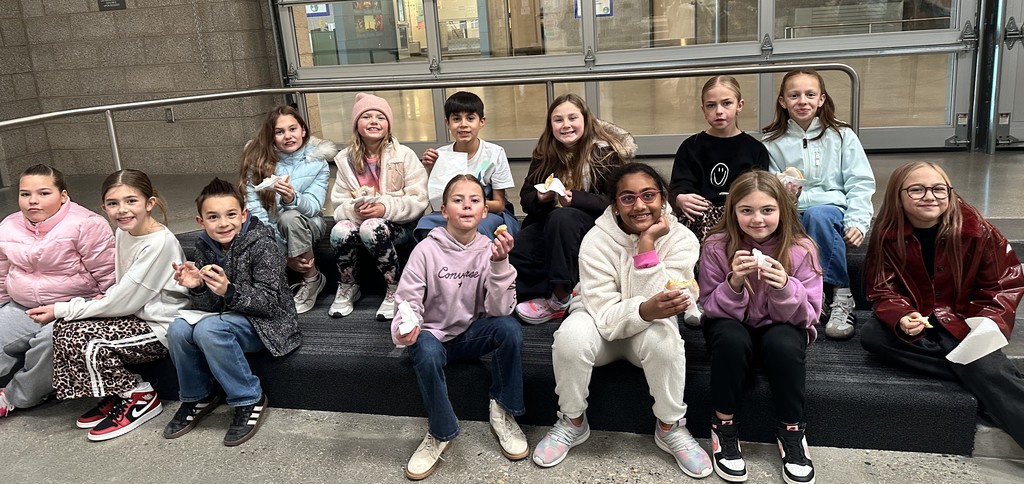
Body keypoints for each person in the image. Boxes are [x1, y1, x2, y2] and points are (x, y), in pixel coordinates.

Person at [532, 163, 713, 478]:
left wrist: (647, 246)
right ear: (615, 205)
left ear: (663, 198)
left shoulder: (682, 239)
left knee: (666, 340)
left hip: (646, 332)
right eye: (628, 198)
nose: (640, 205)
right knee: (570, 336)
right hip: (600, 324)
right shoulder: (596, 240)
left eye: (648, 195)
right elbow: (604, 314)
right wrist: (644, 309)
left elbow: (669, 298)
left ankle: (670, 426)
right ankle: (572, 421)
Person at [862, 161, 1024, 449]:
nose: (930, 196)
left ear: (950, 192)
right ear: (898, 195)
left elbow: (1004, 284)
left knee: (985, 367)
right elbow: (882, 288)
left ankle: (982, 377)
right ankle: (975, 375)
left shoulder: (978, 230)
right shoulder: (887, 234)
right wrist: (902, 315)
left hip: (964, 318)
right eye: (917, 190)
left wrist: (988, 322)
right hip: (921, 320)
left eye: (939, 189)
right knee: (873, 335)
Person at [27, 169, 189, 441]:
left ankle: (139, 396)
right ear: (104, 208)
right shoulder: (125, 232)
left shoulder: (159, 243)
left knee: (85, 338)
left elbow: (124, 302)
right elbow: (124, 286)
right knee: (64, 329)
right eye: (113, 203)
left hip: (160, 326)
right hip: (135, 315)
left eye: (131, 201)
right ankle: (116, 392)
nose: (122, 210)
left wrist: (62, 308)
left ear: (149, 203)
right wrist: (97, 301)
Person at [391, 174, 524, 480]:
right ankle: (441, 432)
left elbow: (499, 311)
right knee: (425, 347)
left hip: (469, 336)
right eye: (457, 200)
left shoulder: (490, 249)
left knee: (509, 328)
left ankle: (503, 411)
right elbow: (408, 300)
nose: (466, 205)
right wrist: (405, 327)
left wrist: (500, 265)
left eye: (475, 200)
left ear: (485, 212)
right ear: (443, 210)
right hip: (431, 337)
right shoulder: (426, 250)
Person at [699, 170, 822, 484]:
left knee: (783, 343)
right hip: (732, 327)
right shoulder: (716, 245)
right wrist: (734, 283)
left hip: (781, 327)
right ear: (733, 211)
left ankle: (792, 430)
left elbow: (810, 315)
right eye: (746, 210)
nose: (757, 219)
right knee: (730, 338)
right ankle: (724, 425)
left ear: (783, 210)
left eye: (767, 210)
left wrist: (784, 287)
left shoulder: (802, 248)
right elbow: (709, 306)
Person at [163, 178, 301, 446]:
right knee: (178, 329)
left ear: (243, 215)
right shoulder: (204, 245)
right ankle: (197, 396)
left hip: (270, 325)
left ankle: (249, 398)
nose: (223, 223)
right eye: (213, 217)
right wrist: (198, 287)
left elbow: (269, 304)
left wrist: (230, 291)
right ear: (200, 221)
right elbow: (210, 307)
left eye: (230, 215)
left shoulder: (263, 243)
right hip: (229, 318)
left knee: (209, 329)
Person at [761, 69, 874, 341]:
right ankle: (805, 294)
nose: (803, 101)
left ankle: (841, 292)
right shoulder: (771, 142)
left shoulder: (842, 135)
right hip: (790, 210)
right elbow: (768, 189)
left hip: (830, 210)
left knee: (818, 216)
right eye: (794, 95)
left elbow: (860, 182)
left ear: (821, 99)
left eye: (810, 94)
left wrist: (858, 221)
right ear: (782, 101)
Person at [0, 165, 116, 418]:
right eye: (25, 194)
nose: (32, 201)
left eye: (43, 193)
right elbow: (1, 273)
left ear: (63, 195)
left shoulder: (87, 224)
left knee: (50, 342)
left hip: (73, 308)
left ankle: (14, 397)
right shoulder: (8, 225)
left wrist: (102, 308)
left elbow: (109, 275)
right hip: (23, 307)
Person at [510, 93, 635, 324]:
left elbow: (615, 201)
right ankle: (550, 291)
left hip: (593, 223)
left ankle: (560, 297)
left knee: (563, 217)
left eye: (572, 118)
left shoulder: (605, 153)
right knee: (517, 249)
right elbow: (526, 199)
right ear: (551, 125)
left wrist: (576, 199)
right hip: (549, 222)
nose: (566, 125)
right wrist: (541, 197)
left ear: (585, 120)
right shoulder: (545, 153)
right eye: (558, 120)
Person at [329, 93, 428, 320]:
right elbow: (338, 204)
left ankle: (394, 286)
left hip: (399, 226)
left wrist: (385, 209)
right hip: (361, 223)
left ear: (388, 125)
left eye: (380, 117)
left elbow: (419, 199)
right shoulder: (345, 159)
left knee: (372, 227)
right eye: (366, 116)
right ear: (356, 124)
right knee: (340, 230)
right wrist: (353, 210)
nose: (374, 121)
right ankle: (348, 284)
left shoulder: (404, 155)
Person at [239, 105, 338, 314]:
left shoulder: (318, 162)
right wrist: (283, 254)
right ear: (271, 136)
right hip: (270, 230)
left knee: (290, 217)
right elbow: (254, 210)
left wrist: (293, 198)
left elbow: (313, 208)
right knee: (242, 227)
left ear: (303, 130)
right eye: (279, 132)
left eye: (293, 129)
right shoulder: (257, 162)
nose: (288, 136)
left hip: (307, 225)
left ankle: (311, 278)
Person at [670, 75, 769, 242]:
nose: (719, 111)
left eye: (726, 103)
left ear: (740, 105)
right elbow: (679, 186)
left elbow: (759, 190)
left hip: (739, 219)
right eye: (711, 105)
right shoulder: (691, 146)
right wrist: (680, 198)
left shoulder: (755, 149)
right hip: (699, 218)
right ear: (703, 109)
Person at [414, 91, 519, 240]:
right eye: (456, 119)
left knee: (475, 228)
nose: (463, 125)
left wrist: (469, 204)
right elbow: (437, 205)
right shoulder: (440, 155)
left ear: (481, 121)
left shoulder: (495, 153)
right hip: (452, 211)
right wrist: (431, 169)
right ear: (447, 123)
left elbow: (499, 204)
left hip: (486, 212)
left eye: (470, 118)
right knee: (426, 225)